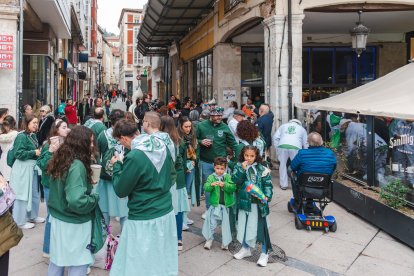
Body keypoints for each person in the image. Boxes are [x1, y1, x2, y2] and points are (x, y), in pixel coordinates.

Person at [109, 113, 177, 275]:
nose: (121, 144)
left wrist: (117, 165)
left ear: (124, 138)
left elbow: (121, 190)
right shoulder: (162, 144)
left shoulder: (134, 156)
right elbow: (172, 175)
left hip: (143, 215)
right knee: (160, 256)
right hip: (165, 210)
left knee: (138, 260)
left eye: (119, 141)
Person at [46, 126, 99, 275]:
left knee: (57, 261)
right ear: (80, 143)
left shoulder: (62, 157)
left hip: (59, 218)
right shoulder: (77, 165)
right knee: (79, 263)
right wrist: (93, 198)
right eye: (90, 142)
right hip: (74, 222)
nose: (92, 146)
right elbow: (76, 200)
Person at [232, 145, 273, 267]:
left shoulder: (262, 169)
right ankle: (245, 249)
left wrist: (267, 196)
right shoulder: (239, 167)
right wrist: (241, 170)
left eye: (252, 156)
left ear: (256, 156)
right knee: (245, 227)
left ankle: (264, 253)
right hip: (245, 203)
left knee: (262, 230)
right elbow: (235, 181)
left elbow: (268, 186)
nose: (249, 158)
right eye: (246, 155)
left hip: (258, 205)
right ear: (242, 155)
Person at [37, 119, 71, 258]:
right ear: (56, 130)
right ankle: (48, 248)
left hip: (63, 184)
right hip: (50, 185)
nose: (66, 129)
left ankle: (59, 246)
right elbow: (42, 165)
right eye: (63, 127)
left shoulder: (68, 144)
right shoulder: (48, 145)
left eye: (67, 127)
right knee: (52, 216)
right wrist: (51, 151)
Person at [196, 106, 238, 219]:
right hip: (206, 162)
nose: (219, 117)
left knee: (222, 186)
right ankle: (209, 209)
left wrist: (238, 157)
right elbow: (193, 139)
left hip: (221, 164)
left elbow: (233, 144)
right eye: (217, 115)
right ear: (211, 115)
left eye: (220, 115)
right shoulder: (201, 126)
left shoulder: (225, 127)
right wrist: (200, 141)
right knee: (209, 186)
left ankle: (221, 208)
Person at [160, 116, 190, 251]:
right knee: (177, 210)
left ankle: (169, 238)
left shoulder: (160, 142)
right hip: (179, 179)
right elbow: (182, 162)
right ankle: (178, 239)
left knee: (168, 210)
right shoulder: (179, 141)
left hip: (168, 180)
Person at [9, 115, 45, 229]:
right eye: (33, 122)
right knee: (22, 194)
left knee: (34, 193)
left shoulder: (32, 135)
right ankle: (19, 221)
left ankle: (32, 216)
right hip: (22, 169)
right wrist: (34, 152)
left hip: (31, 168)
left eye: (37, 122)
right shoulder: (21, 137)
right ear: (27, 123)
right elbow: (18, 154)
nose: (36, 125)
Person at [96, 109, 128, 229]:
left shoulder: (102, 135)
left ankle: (105, 236)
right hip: (122, 176)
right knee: (124, 210)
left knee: (104, 208)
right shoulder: (127, 134)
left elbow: (97, 156)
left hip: (105, 177)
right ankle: (124, 236)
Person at [290, 132, 337, 207]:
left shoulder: (302, 153)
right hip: (322, 186)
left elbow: (292, 166)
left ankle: (297, 199)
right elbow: (334, 166)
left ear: (308, 142)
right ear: (321, 141)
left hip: (304, 185)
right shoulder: (330, 153)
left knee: (290, 171)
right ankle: (309, 202)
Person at [202, 157, 235, 250]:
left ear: (225, 168)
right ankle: (209, 239)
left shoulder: (228, 177)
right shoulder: (211, 177)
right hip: (215, 205)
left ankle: (225, 242)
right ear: (214, 167)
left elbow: (233, 188)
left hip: (225, 206)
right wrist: (211, 185)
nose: (219, 171)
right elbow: (206, 187)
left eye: (222, 169)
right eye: (217, 168)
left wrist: (225, 185)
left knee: (225, 226)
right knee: (212, 223)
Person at [273, 119, 308, 190]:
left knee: (282, 165)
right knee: (296, 165)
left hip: (282, 145)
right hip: (295, 147)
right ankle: (297, 183)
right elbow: (305, 143)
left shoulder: (283, 126)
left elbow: (275, 137)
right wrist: (305, 153)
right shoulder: (302, 129)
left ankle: (283, 185)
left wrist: (277, 148)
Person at [0, 116, 18, 180]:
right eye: (5, 125)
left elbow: (7, 138)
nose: (6, 127)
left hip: (9, 157)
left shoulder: (14, 133)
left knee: (9, 179)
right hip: (6, 157)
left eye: (7, 125)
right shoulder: (15, 134)